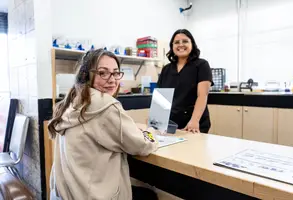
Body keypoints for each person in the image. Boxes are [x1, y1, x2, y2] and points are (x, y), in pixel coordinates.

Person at [48, 49, 159, 200]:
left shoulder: (72, 101)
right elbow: (141, 146)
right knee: (149, 195)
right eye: (103, 73)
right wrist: (150, 132)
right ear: (87, 75)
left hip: (65, 194)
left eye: (115, 73)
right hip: (92, 195)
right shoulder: (106, 106)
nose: (112, 79)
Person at [157, 29, 214, 133]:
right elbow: (161, 98)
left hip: (194, 123)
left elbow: (202, 95)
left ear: (192, 44)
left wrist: (194, 121)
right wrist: (155, 120)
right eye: (177, 42)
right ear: (172, 46)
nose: (181, 45)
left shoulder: (201, 65)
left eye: (185, 41)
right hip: (171, 124)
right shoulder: (166, 69)